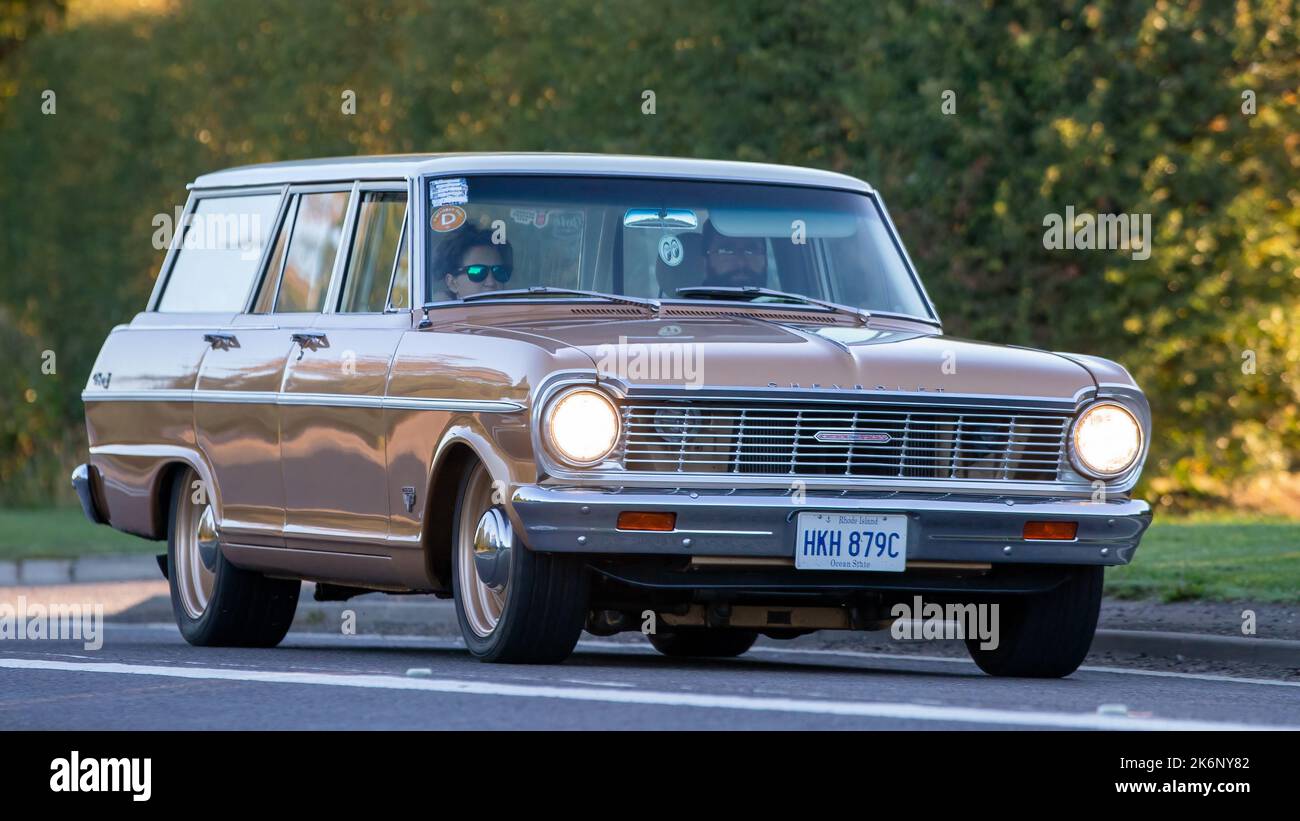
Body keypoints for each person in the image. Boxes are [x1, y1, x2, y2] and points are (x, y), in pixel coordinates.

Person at [434, 225, 514, 299]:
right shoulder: (432, 313)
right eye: (477, 272)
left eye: (499, 272)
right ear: (452, 283)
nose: (491, 283)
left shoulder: (521, 310)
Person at [700, 221, 768, 289]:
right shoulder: (691, 300)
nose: (741, 263)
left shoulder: (777, 297)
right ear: (706, 260)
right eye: (726, 251)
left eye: (751, 251)